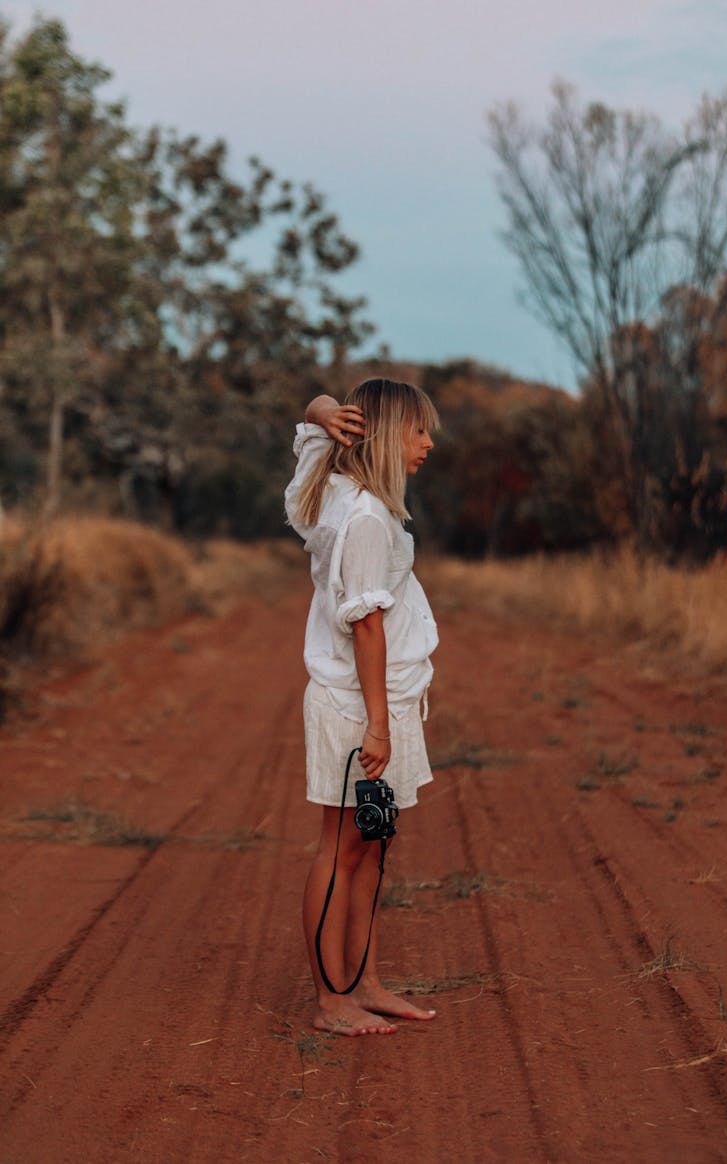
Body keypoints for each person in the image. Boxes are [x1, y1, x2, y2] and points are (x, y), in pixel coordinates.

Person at [285, 378, 440, 1036]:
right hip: (360, 707)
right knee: (342, 848)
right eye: (418, 430)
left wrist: (324, 411)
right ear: (380, 438)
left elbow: (313, 421)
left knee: (369, 847)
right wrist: (378, 725)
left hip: (376, 700)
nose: (429, 443)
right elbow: (367, 627)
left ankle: (364, 981)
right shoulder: (367, 517)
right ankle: (331, 999)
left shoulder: (331, 488)